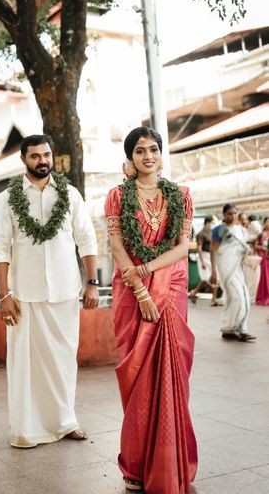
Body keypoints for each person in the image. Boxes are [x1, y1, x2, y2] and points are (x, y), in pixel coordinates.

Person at [0, 134, 99, 449]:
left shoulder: (70, 193)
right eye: (36, 156)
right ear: (24, 159)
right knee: (24, 364)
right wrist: (3, 296)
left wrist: (92, 281)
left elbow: (86, 238)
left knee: (65, 360)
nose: (43, 161)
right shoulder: (7, 199)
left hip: (65, 290)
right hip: (24, 294)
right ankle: (25, 428)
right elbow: (0, 248)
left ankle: (66, 422)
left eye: (47, 155)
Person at [105, 126, 197, 494]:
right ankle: (137, 465)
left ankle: (170, 460)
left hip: (170, 289)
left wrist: (149, 271)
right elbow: (116, 245)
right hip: (131, 290)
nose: (148, 156)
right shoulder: (117, 196)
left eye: (154, 149)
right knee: (138, 374)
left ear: (161, 154)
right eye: (140, 150)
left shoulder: (181, 195)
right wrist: (140, 289)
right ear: (131, 157)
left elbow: (183, 247)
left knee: (172, 372)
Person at [210, 204, 256, 342]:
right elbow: (213, 250)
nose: (233, 216)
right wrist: (213, 271)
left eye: (235, 213)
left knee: (234, 297)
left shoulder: (239, 230)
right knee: (240, 297)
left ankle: (228, 328)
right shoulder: (219, 230)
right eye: (230, 213)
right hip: (225, 268)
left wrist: (247, 251)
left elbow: (242, 246)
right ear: (224, 214)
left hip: (237, 268)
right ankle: (241, 329)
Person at [189, 217, 219, 306]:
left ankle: (212, 299)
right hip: (204, 256)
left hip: (211, 256)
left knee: (213, 278)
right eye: (211, 223)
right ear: (206, 223)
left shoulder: (212, 234)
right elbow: (199, 248)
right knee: (206, 278)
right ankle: (195, 292)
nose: (212, 225)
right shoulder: (200, 234)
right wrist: (202, 261)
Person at [255, 217, 269, 305]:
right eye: (267, 222)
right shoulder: (261, 234)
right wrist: (263, 248)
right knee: (264, 277)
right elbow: (256, 245)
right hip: (264, 257)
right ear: (264, 223)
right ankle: (263, 297)